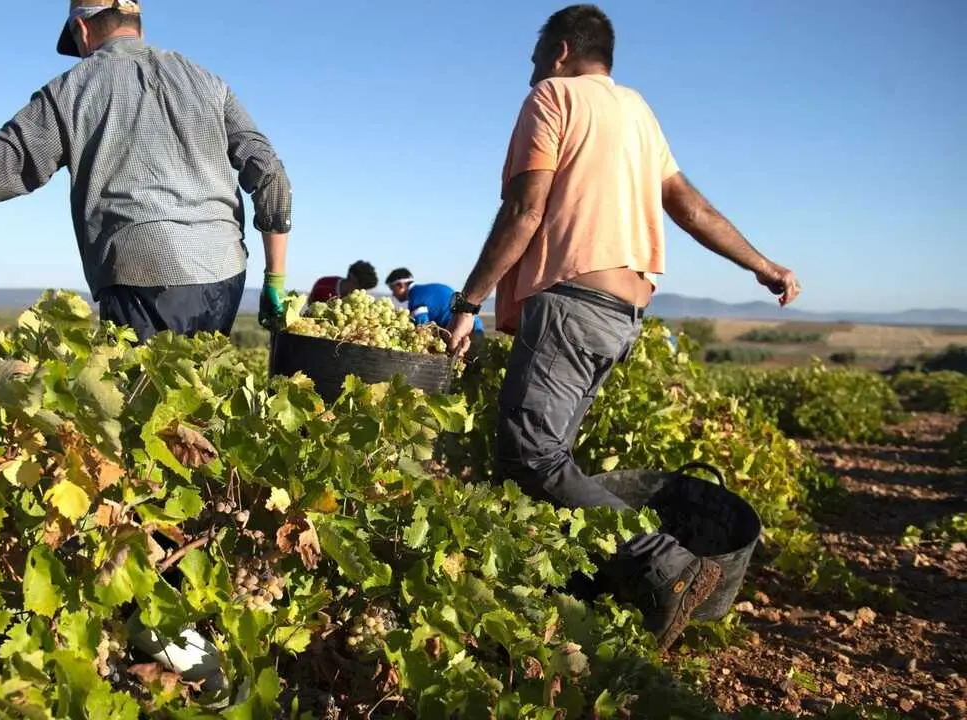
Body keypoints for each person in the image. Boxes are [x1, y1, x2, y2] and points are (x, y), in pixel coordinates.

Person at [444, 4, 800, 652]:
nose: (529, 71)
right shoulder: (636, 111)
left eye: (533, 58)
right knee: (554, 461)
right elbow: (689, 204)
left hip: (574, 303)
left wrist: (468, 302)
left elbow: (525, 211)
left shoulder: (554, 96)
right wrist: (762, 263)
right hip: (621, 315)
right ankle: (581, 591)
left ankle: (668, 566)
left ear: (558, 50)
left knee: (531, 456)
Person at [0, 0, 293, 340]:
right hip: (226, 271)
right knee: (199, 408)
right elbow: (269, 173)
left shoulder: (72, 90)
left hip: (144, 274)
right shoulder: (208, 82)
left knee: (145, 423)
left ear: (82, 29)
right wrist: (274, 280)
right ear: (138, 25)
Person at [386, 268, 484, 333]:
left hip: (462, 329)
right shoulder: (426, 289)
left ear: (400, 285)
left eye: (392, 289)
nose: (393, 294)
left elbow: (423, 329)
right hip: (474, 324)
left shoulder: (415, 298)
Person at [308, 261, 378, 304]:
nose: (360, 291)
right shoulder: (324, 284)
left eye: (364, 289)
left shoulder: (359, 301)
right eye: (360, 287)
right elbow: (310, 304)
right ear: (351, 277)